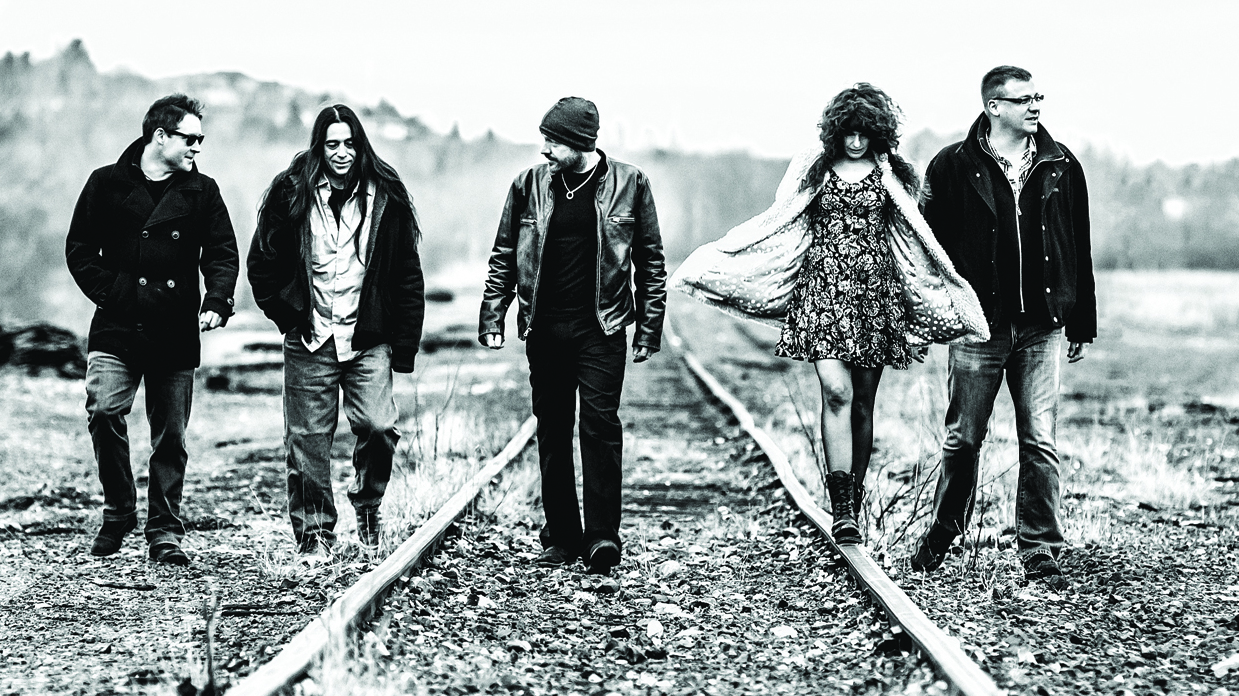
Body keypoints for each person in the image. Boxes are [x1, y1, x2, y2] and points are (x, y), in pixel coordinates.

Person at [672, 84, 988, 545]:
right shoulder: (811, 167)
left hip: (875, 298)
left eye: (864, 133)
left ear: (877, 132)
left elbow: (912, 249)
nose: (856, 142)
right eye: (849, 133)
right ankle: (841, 507)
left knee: (862, 401)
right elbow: (782, 220)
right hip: (821, 296)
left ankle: (852, 502)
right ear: (835, 131)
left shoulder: (895, 174)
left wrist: (918, 318)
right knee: (836, 392)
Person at [911, 66, 1095, 584]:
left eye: (1039, 97)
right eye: (1023, 100)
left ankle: (1039, 546)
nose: (1035, 107)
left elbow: (1077, 245)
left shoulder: (1061, 164)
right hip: (979, 327)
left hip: (1042, 327)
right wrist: (933, 315)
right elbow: (930, 250)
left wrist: (1080, 317)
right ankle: (945, 531)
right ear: (994, 107)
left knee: (1040, 441)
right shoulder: (952, 166)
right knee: (963, 439)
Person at [479, 97, 667, 574]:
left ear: (582, 144)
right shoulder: (528, 185)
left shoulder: (630, 183)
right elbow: (503, 253)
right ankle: (562, 537)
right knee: (553, 429)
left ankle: (603, 537)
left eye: (554, 140)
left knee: (600, 426)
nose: (544, 149)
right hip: (543, 328)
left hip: (600, 328)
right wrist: (492, 315)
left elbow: (650, 260)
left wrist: (649, 327)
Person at [66, 94, 239, 566]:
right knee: (103, 410)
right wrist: (118, 292)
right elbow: (80, 250)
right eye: (190, 138)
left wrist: (217, 301)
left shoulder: (203, 192)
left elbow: (221, 253)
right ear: (159, 136)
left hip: (174, 327)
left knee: (170, 438)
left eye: (201, 139)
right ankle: (119, 510)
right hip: (117, 324)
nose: (197, 148)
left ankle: (164, 531)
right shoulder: (106, 183)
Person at [248, 104, 424, 556]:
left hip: (366, 339)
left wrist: (403, 347)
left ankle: (367, 506)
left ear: (360, 144)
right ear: (319, 147)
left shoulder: (386, 195)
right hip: (311, 338)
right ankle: (314, 537)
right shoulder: (291, 193)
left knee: (379, 426)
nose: (341, 153)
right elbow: (262, 263)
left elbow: (407, 275)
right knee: (307, 443)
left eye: (349, 143)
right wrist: (287, 316)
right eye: (332, 144)